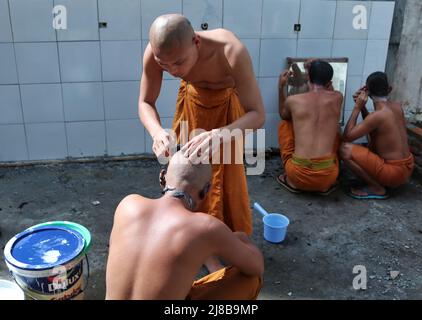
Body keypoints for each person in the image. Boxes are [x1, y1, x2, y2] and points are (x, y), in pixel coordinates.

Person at [138, 14, 265, 271]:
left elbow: (258, 115)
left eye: (179, 62)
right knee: (186, 178)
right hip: (192, 107)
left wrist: (221, 134)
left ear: (196, 41)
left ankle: (228, 239)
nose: (173, 71)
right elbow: (145, 102)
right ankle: (202, 250)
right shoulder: (155, 53)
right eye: (165, 65)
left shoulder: (230, 51)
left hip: (227, 115)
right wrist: (156, 132)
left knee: (225, 180)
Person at [105, 151, 263, 300]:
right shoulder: (206, 227)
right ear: (205, 191)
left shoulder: (127, 205)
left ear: (162, 177)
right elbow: (256, 267)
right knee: (249, 281)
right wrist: (240, 238)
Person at [340, 72, 414, 199]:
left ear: (367, 92)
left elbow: (347, 137)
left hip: (393, 173)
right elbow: (373, 128)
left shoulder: (378, 115)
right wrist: (363, 108)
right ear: (389, 89)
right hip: (407, 168)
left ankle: (377, 188)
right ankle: (381, 179)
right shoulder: (397, 107)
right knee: (371, 141)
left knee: (344, 149)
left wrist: (357, 107)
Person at [276, 59, 343, 194]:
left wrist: (281, 87)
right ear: (329, 82)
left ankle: (291, 181)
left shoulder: (293, 101)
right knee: (335, 129)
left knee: (285, 124)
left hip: (297, 175)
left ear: (309, 78)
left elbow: (283, 114)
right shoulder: (338, 98)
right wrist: (313, 70)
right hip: (328, 177)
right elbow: (328, 90)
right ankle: (323, 185)